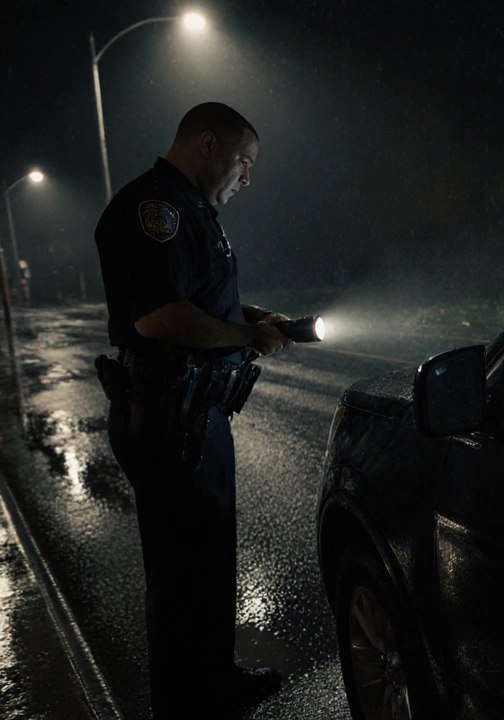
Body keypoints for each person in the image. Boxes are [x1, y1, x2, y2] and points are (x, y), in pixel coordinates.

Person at [93, 102, 291, 717]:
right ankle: (184, 705)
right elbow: (159, 316)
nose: (246, 178)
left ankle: (214, 683)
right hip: (166, 414)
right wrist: (246, 338)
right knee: (181, 577)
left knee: (207, 563)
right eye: (244, 162)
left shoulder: (192, 211)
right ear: (208, 143)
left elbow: (200, 298)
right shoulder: (156, 211)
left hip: (194, 414)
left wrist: (254, 319)